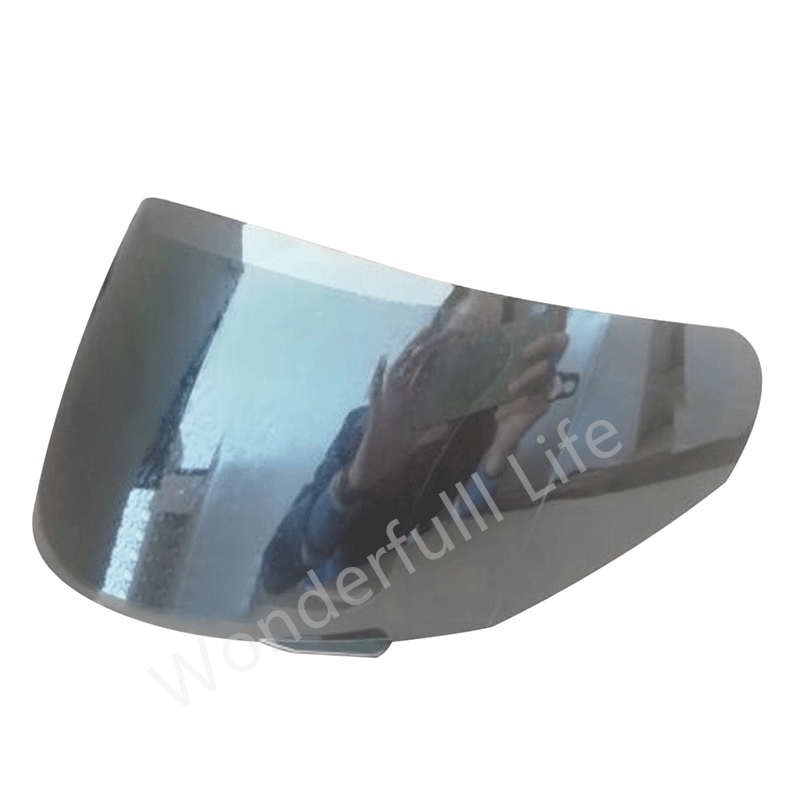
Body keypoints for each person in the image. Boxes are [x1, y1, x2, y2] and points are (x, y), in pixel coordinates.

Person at [258, 287, 568, 594]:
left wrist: (500, 449)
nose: (467, 353)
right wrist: (356, 479)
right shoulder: (365, 424)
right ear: (435, 335)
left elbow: (448, 551)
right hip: (321, 610)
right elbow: (277, 574)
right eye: (462, 333)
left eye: (486, 342)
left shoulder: (487, 439)